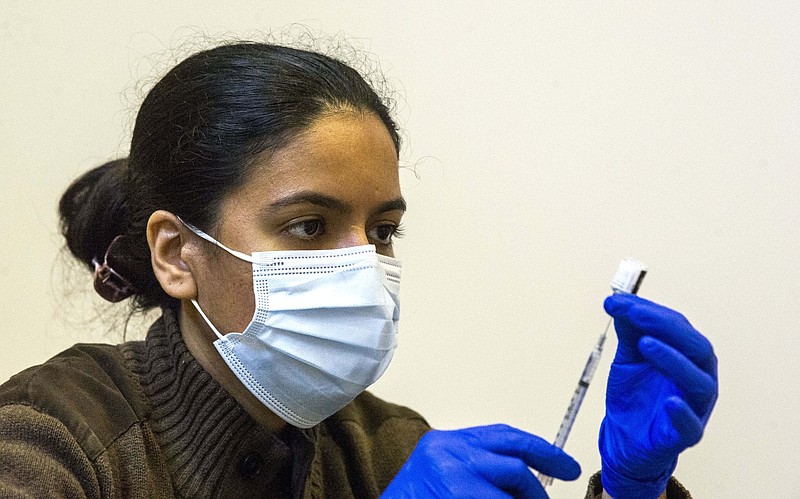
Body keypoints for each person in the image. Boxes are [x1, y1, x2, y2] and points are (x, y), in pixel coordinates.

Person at [0, 41, 717, 499]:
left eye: (381, 231)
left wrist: (633, 491)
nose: (361, 266)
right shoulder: (52, 440)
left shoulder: (384, 446)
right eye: (309, 226)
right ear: (176, 253)